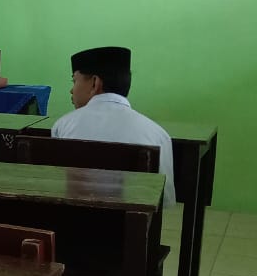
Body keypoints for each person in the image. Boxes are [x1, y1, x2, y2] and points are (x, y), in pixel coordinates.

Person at [52, 46, 175, 205]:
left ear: (95, 83)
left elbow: (55, 187)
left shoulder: (63, 125)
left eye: (74, 81)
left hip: (70, 224)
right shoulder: (158, 135)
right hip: (130, 227)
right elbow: (164, 200)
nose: (71, 90)